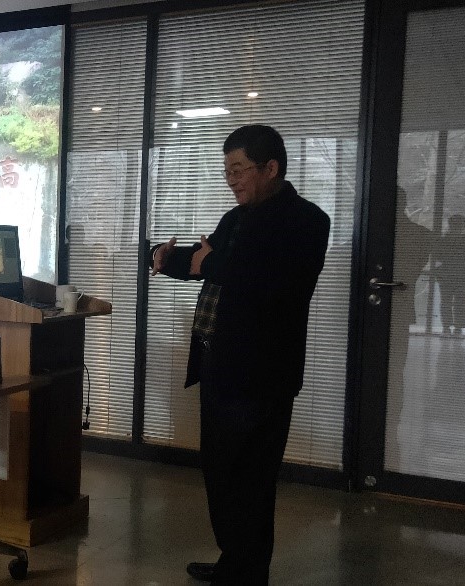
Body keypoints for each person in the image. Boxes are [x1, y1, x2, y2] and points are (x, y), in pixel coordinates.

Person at [150, 125, 329, 585]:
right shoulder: (236, 218)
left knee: (251, 480)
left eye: (239, 170)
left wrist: (211, 262)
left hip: (261, 373)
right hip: (219, 365)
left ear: (271, 168)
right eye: (227, 171)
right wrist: (163, 258)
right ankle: (235, 562)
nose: (231, 180)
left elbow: (275, 287)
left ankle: (248, 573)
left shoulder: (307, 221)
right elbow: (205, 261)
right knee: (221, 473)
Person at [432, 214, 465, 336]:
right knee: (458, 303)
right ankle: (455, 328)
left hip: (451, 275)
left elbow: (438, 257)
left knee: (449, 302)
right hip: (461, 276)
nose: (457, 226)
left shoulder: (442, 241)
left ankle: (449, 328)